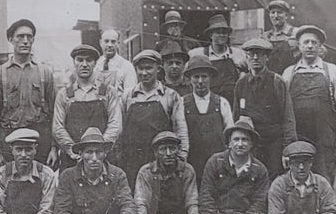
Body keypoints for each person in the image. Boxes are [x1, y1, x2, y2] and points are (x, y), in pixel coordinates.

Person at [281, 24, 336, 183]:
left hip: (325, 136)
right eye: (306, 42)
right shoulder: (289, 72)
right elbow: (282, 110)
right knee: (298, 176)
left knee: (324, 176)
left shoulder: (331, 70)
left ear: (320, 46)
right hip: (298, 135)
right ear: (299, 46)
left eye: (314, 42)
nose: (310, 46)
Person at [0, 19, 57, 165]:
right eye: (20, 36)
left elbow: (56, 113)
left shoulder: (45, 73)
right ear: (11, 40)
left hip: (39, 141)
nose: (25, 41)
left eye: (29, 37)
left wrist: (54, 148)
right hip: (10, 141)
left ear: (33, 40)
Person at [116, 49, 189, 182]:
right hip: (132, 159)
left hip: (161, 160)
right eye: (140, 69)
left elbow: (181, 129)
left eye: (149, 68)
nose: (144, 73)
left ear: (158, 69)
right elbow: (118, 129)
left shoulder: (170, 96)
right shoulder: (128, 96)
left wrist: (182, 157)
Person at [52, 43, 122, 171]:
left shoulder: (108, 92)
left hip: (101, 160)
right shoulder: (64, 95)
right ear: (74, 62)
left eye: (89, 60)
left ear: (95, 63)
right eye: (80, 60)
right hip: (72, 160)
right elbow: (57, 127)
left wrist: (100, 150)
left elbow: (115, 124)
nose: (84, 64)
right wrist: (74, 151)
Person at [235, 37, 300, 175]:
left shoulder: (277, 82)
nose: (255, 58)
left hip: (273, 146)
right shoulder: (241, 84)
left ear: (267, 57)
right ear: (246, 57)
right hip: (250, 146)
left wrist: (288, 149)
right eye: (251, 54)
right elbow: (237, 118)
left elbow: (288, 118)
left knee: (272, 180)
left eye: (260, 54)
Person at [181, 54, 234, 180]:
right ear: (189, 79)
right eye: (196, 77)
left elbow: (230, 134)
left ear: (210, 78)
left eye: (204, 77)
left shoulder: (221, 103)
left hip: (217, 163)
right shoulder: (182, 103)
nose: (200, 81)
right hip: (192, 162)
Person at [188, 14, 247, 102]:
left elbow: (246, 78)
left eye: (224, 32)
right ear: (211, 35)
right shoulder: (197, 53)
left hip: (232, 101)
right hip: (207, 101)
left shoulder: (238, 53)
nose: (222, 35)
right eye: (218, 32)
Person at [261, 0, 301, 73]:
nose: (275, 16)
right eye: (273, 13)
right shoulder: (265, 36)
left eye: (279, 12)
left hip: (291, 75)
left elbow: (320, 51)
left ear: (286, 15)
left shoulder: (297, 33)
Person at [96, 28, 137, 95]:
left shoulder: (127, 66)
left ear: (118, 43)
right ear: (100, 43)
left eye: (113, 41)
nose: (109, 45)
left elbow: (130, 95)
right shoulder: (96, 64)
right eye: (106, 41)